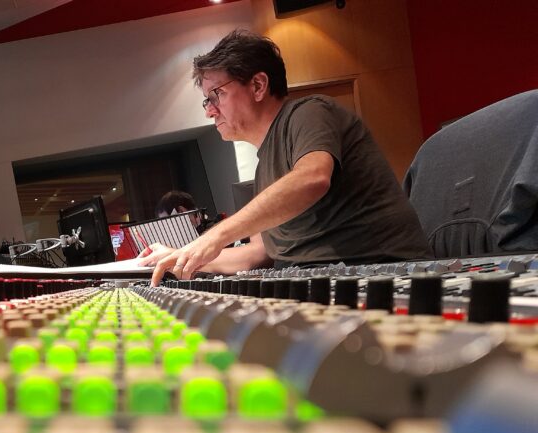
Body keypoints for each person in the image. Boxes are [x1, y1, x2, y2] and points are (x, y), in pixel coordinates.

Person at [141, 30, 433, 285]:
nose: (209, 110)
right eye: (207, 100)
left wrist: (213, 237)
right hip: (323, 278)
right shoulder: (264, 166)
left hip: (379, 273)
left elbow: (312, 178)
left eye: (215, 95)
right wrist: (180, 259)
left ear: (258, 85)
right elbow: (257, 254)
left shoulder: (310, 112)